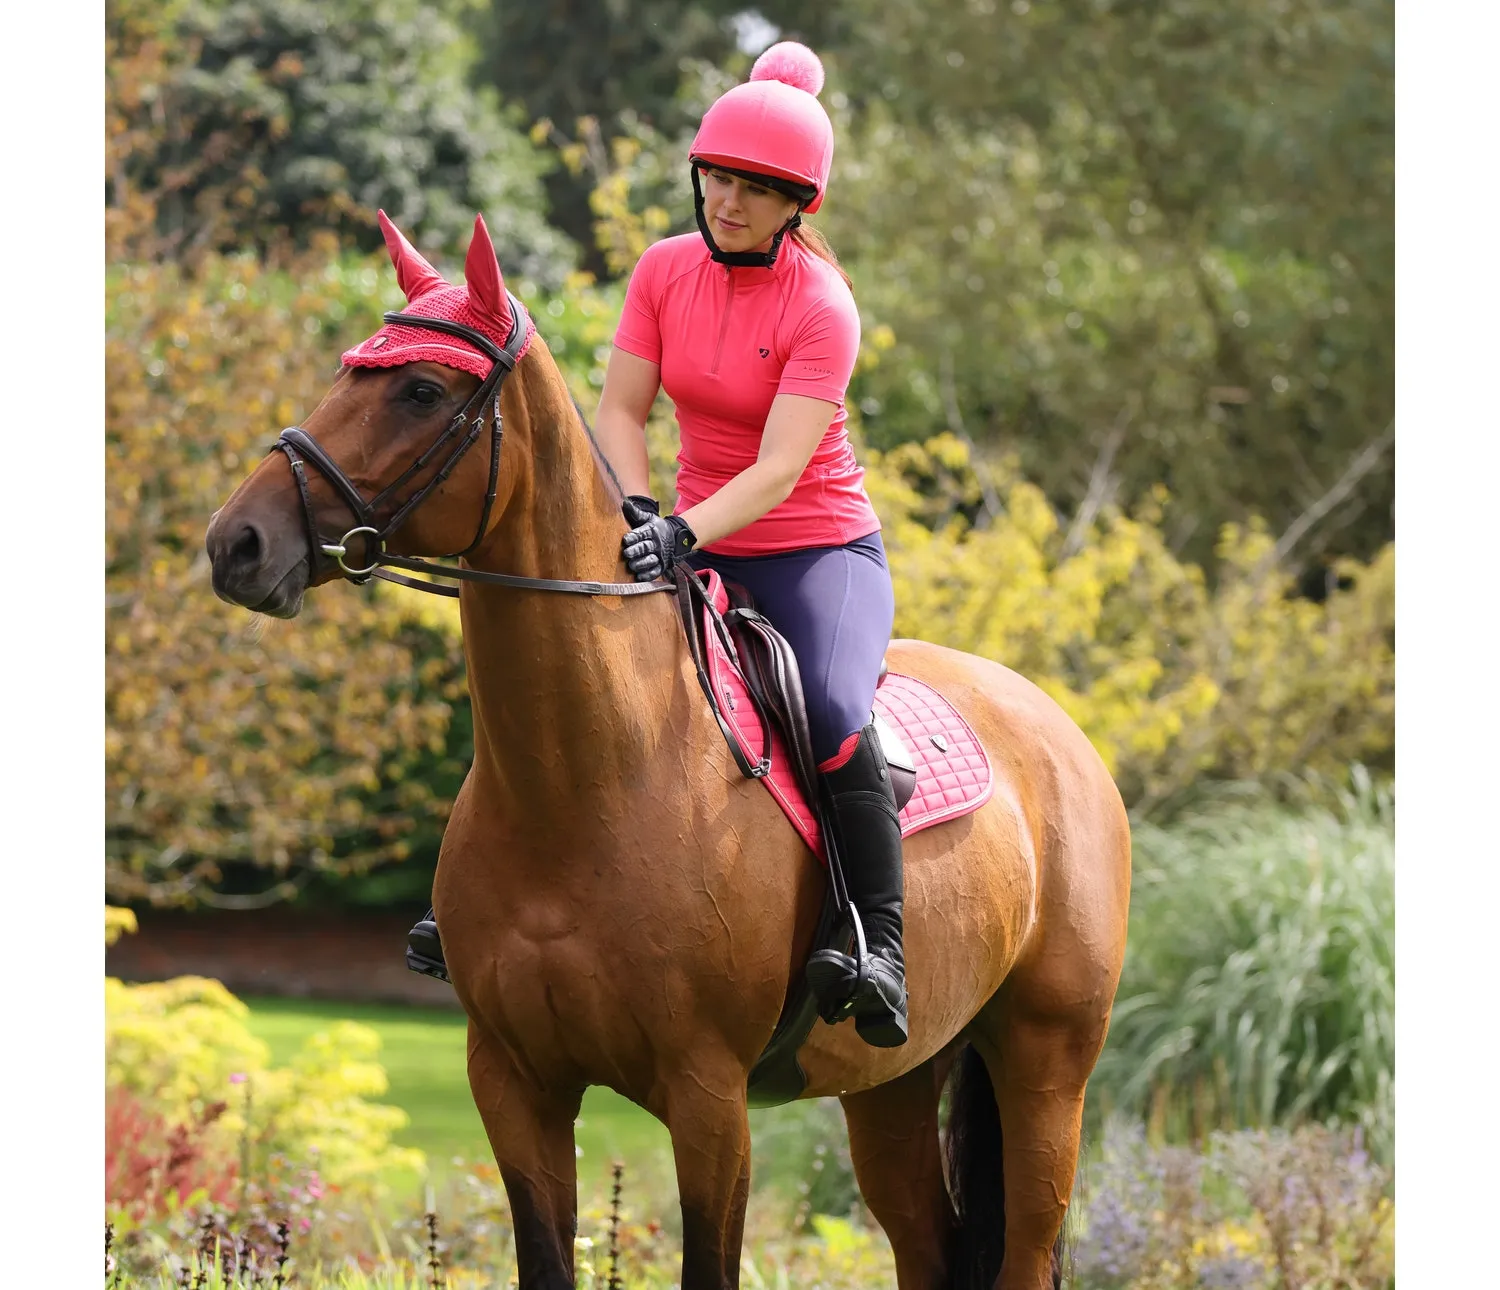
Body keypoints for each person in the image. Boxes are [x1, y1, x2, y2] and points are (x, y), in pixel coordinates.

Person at [409, 41, 908, 1049]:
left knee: (835, 714)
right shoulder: (664, 270)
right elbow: (623, 408)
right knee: (563, 684)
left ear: (796, 205)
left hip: (815, 550)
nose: (728, 201)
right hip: (681, 535)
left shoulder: (823, 307)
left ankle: (878, 943)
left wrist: (682, 528)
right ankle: (472, 897)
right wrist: (639, 510)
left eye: (757, 189)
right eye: (718, 177)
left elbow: (776, 471)